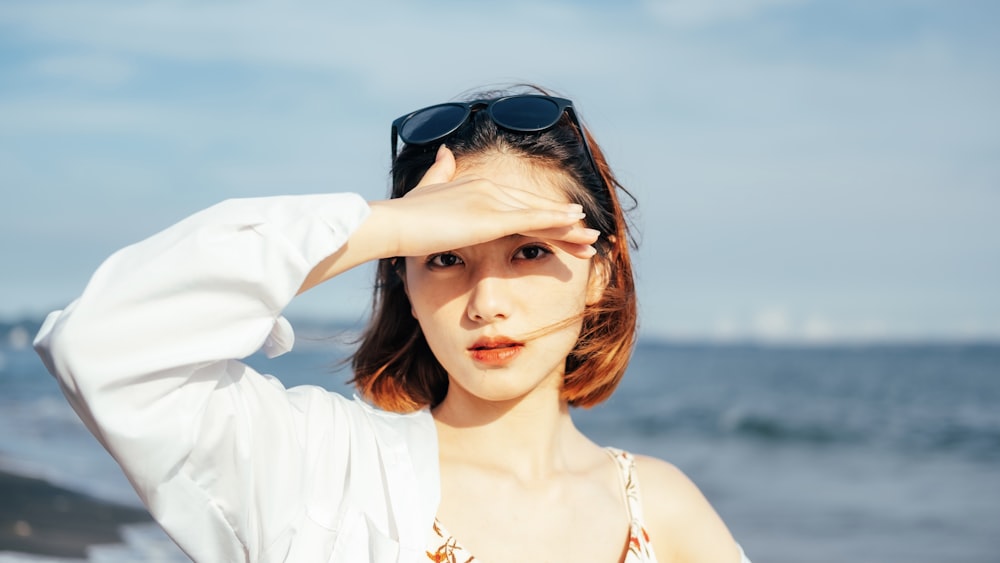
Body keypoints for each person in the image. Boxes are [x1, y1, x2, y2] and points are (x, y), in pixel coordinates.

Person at [35, 86, 752, 563]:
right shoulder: (325, 468)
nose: (485, 299)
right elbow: (100, 342)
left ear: (599, 271)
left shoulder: (658, 509)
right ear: (400, 279)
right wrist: (384, 223)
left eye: (528, 249)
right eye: (444, 257)